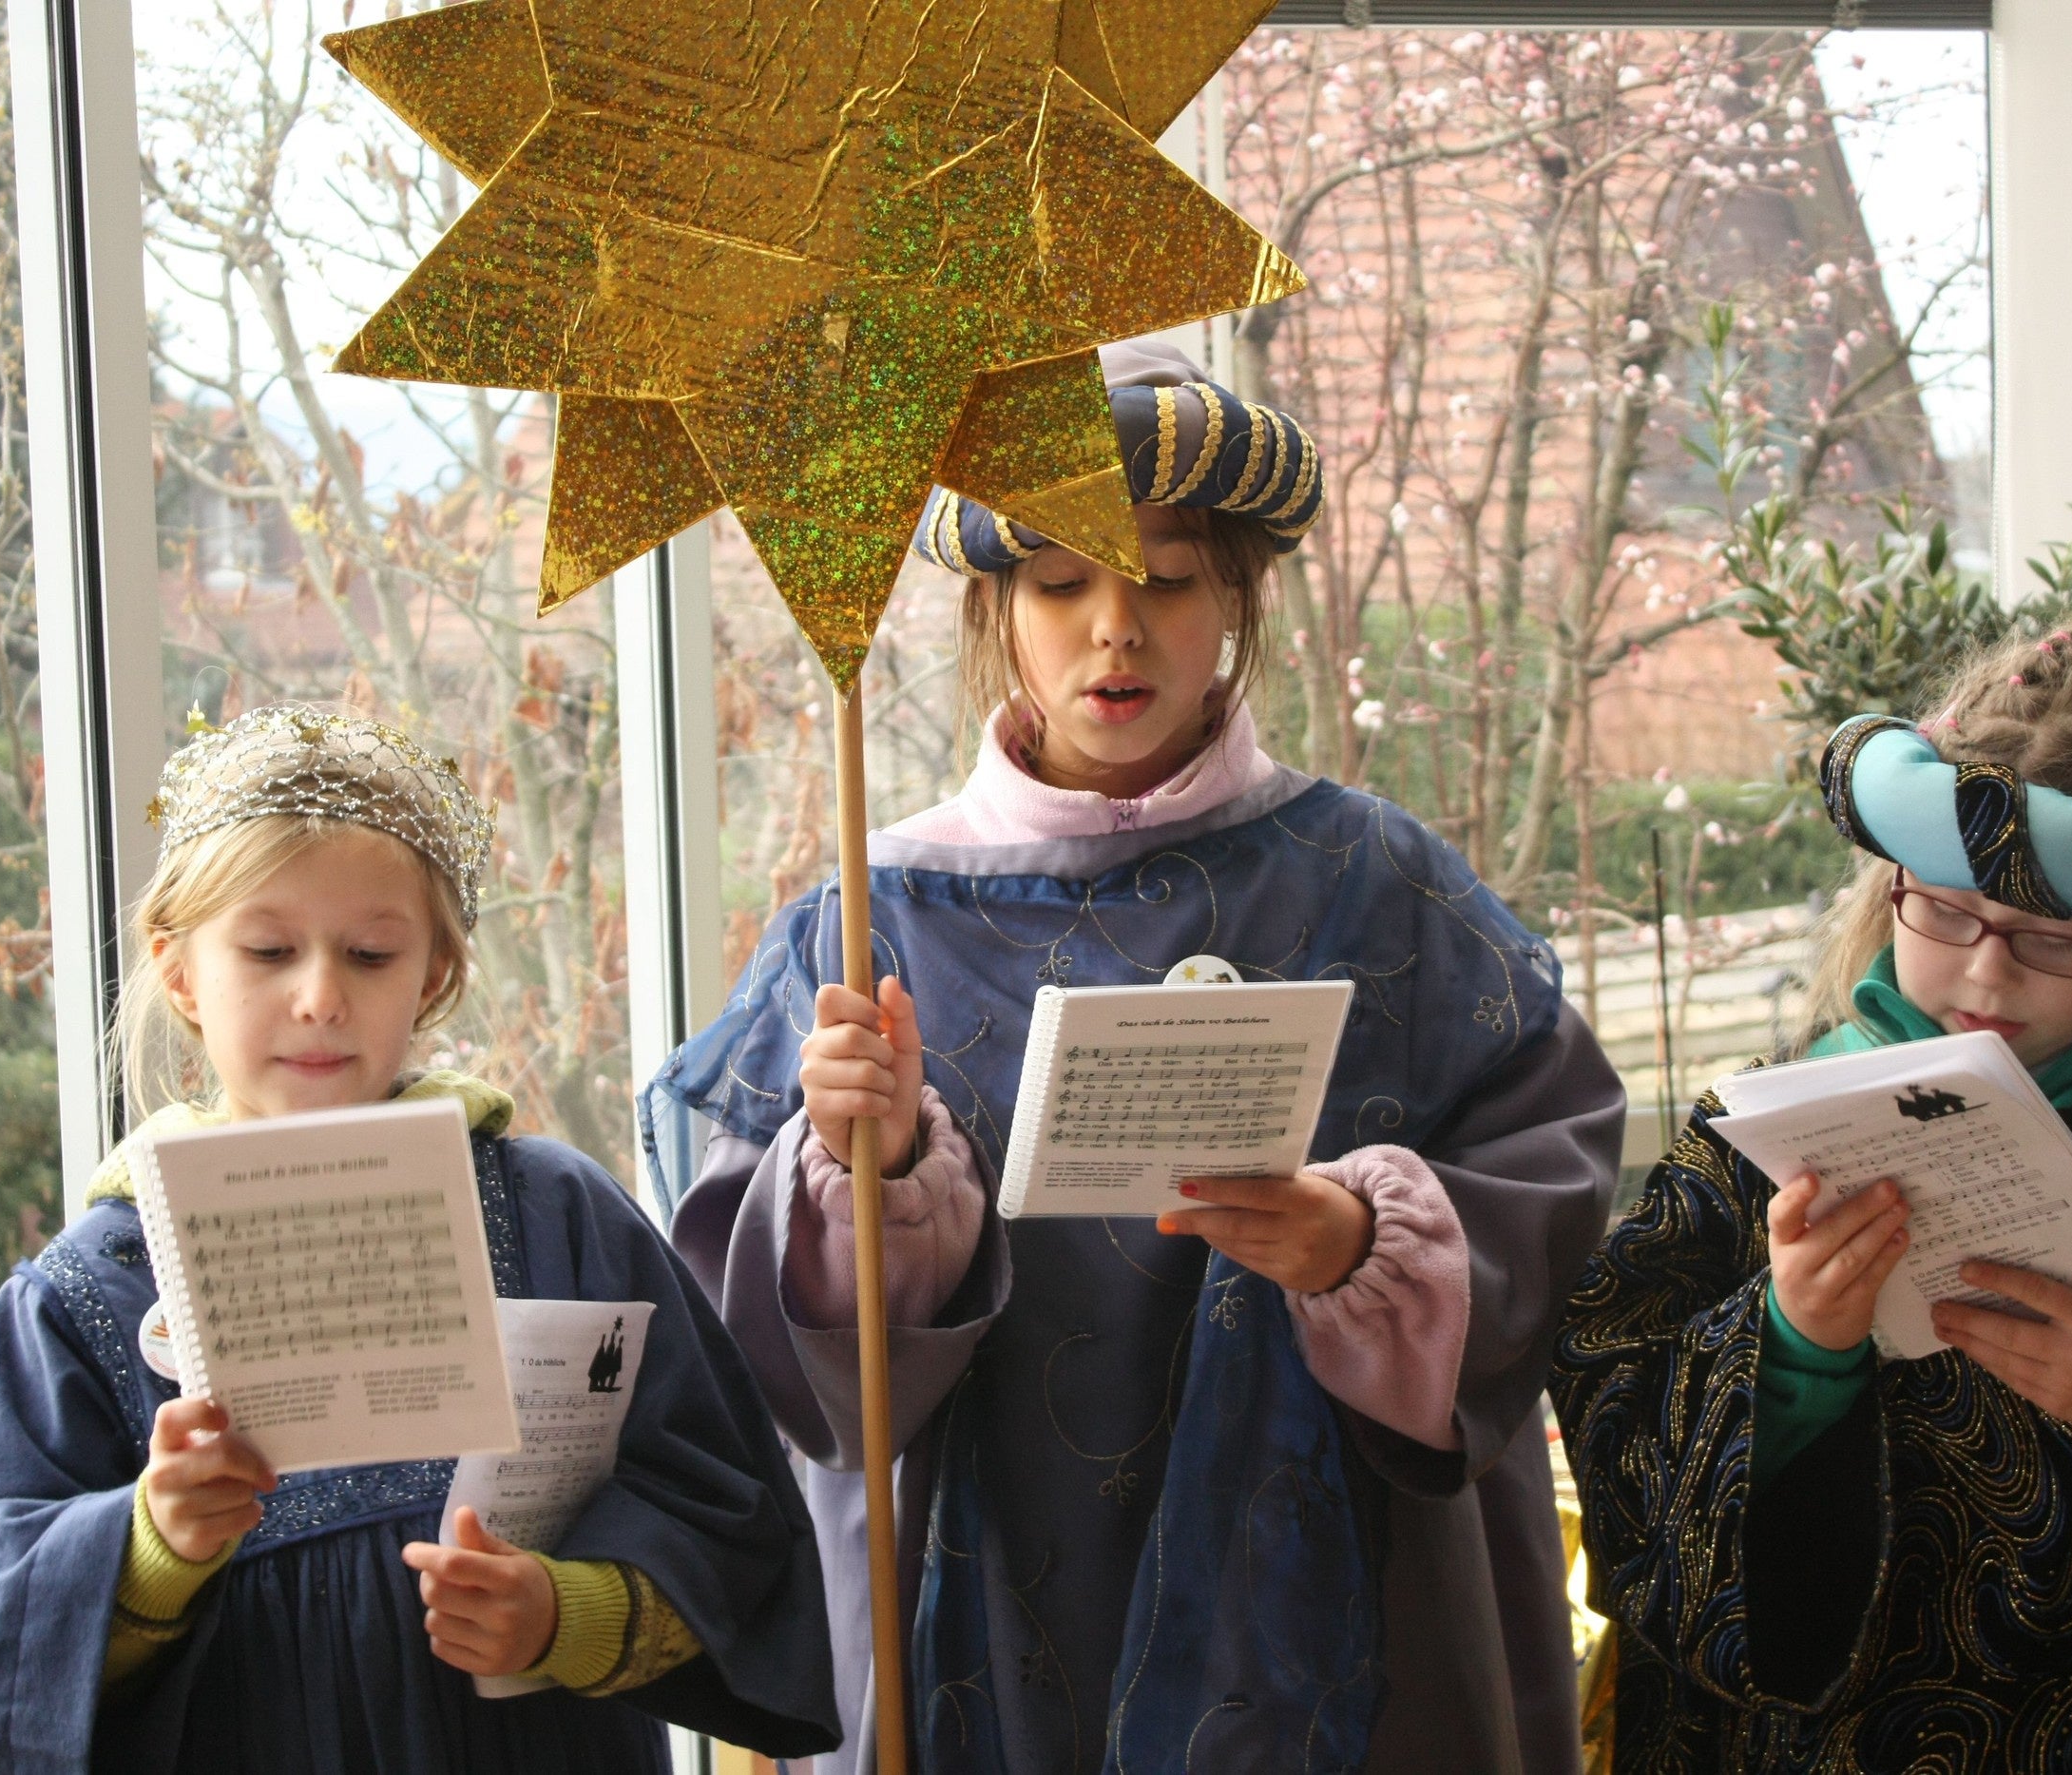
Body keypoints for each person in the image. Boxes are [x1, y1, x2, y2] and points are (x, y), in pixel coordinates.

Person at [647, 341, 1626, 1775]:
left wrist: (1360, 1236)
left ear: (1237, 596)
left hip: (1321, 1587)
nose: (1118, 626)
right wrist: (874, 1162)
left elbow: (1556, 1177)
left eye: (1168, 576)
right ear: (999, 610)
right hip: (976, 1590)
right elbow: (782, 1378)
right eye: (1064, 579)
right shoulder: (871, 916)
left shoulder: (1374, 881)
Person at [0, 706, 840, 1775]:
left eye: (371, 953)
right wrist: (150, 1546)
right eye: (266, 948)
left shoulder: (559, 1217)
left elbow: (732, 1519)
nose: (320, 997)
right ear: (179, 971)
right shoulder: (81, 1298)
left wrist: (560, 1614)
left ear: (433, 973)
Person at [1554, 629, 2072, 1772]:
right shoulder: (1758, 1127)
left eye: (2051, 938)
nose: (1987, 975)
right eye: (1944, 914)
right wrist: (1792, 1347)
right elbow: (1613, 1400)